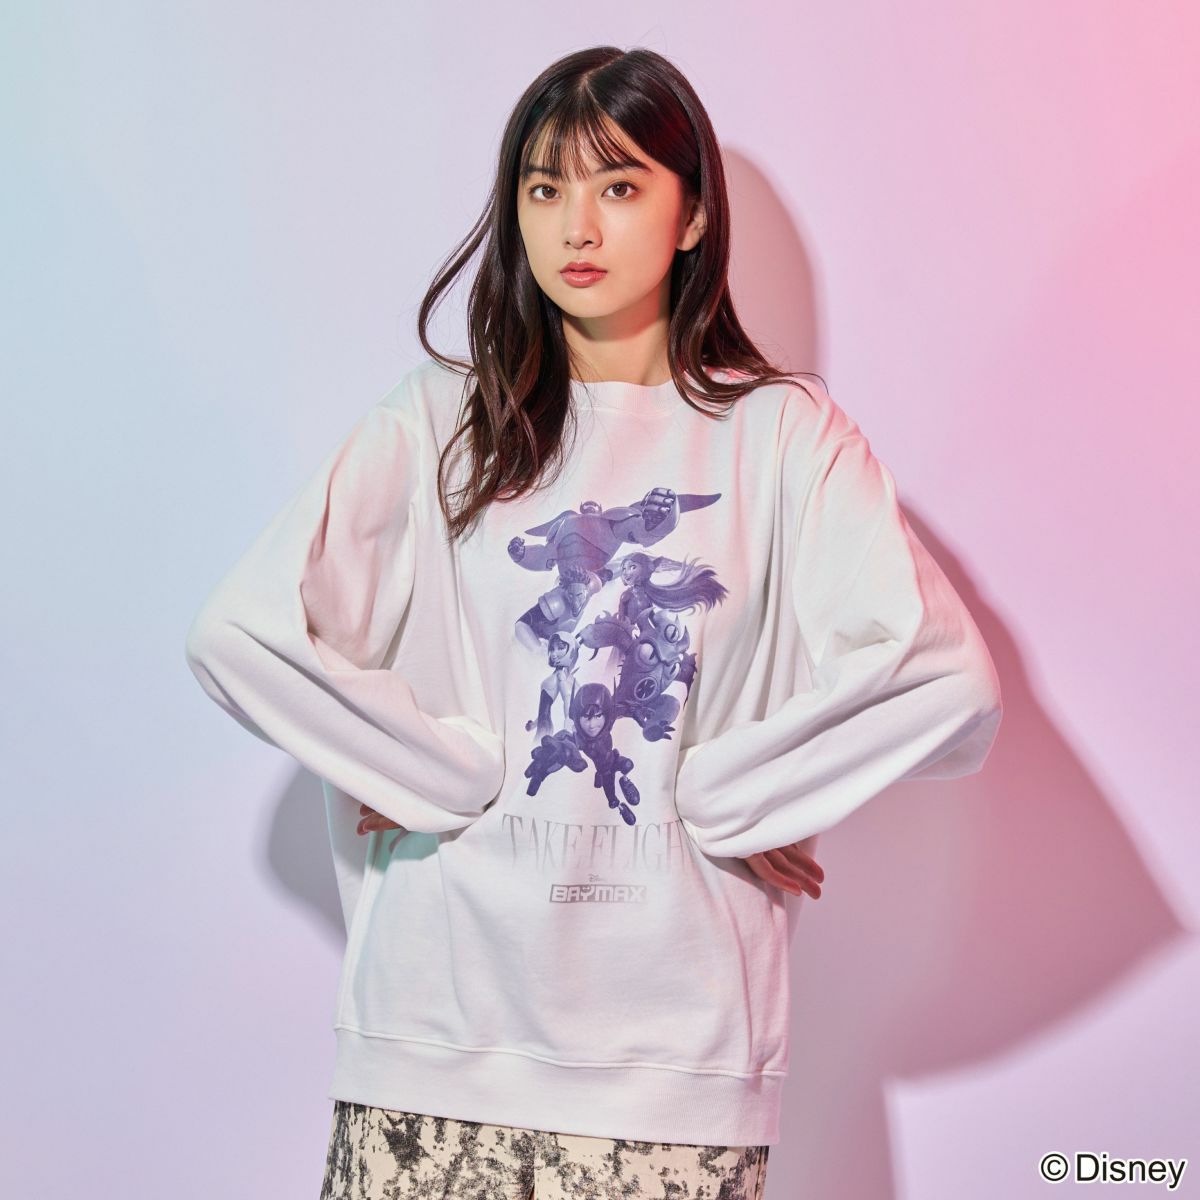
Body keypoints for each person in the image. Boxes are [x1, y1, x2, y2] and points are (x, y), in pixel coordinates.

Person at [184, 44, 1002, 1200]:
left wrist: (739, 794)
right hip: (434, 1043)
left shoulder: (782, 436)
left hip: (675, 1066)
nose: (576, 225)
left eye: (619, 185)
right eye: (544, 187)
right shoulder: (442, 422)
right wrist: (434, 772)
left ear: (692, 214)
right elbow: (244, 635)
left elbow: (943, 679)